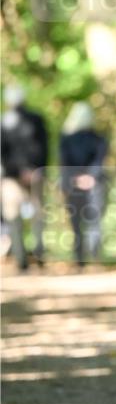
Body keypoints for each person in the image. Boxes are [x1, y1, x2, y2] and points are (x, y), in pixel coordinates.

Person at [0, 85, 48, 271]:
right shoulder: (5, 122)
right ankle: (23, 258)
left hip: (28, 174)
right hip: (14, 177)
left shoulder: (35, 120)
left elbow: (43, 147)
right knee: (17, 217)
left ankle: (36, 254)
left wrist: (34, 170)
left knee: (34, 216)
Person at [60, 102, 108, 267]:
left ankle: (80, 258)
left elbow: (64, 165)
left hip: (75, 185)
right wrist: (89, 177)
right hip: (94, 183)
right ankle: (93, 256)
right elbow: (99, 162)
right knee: (93, 220)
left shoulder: (66, 139)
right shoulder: (98, 139)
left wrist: (71, 181)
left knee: (78, 222)